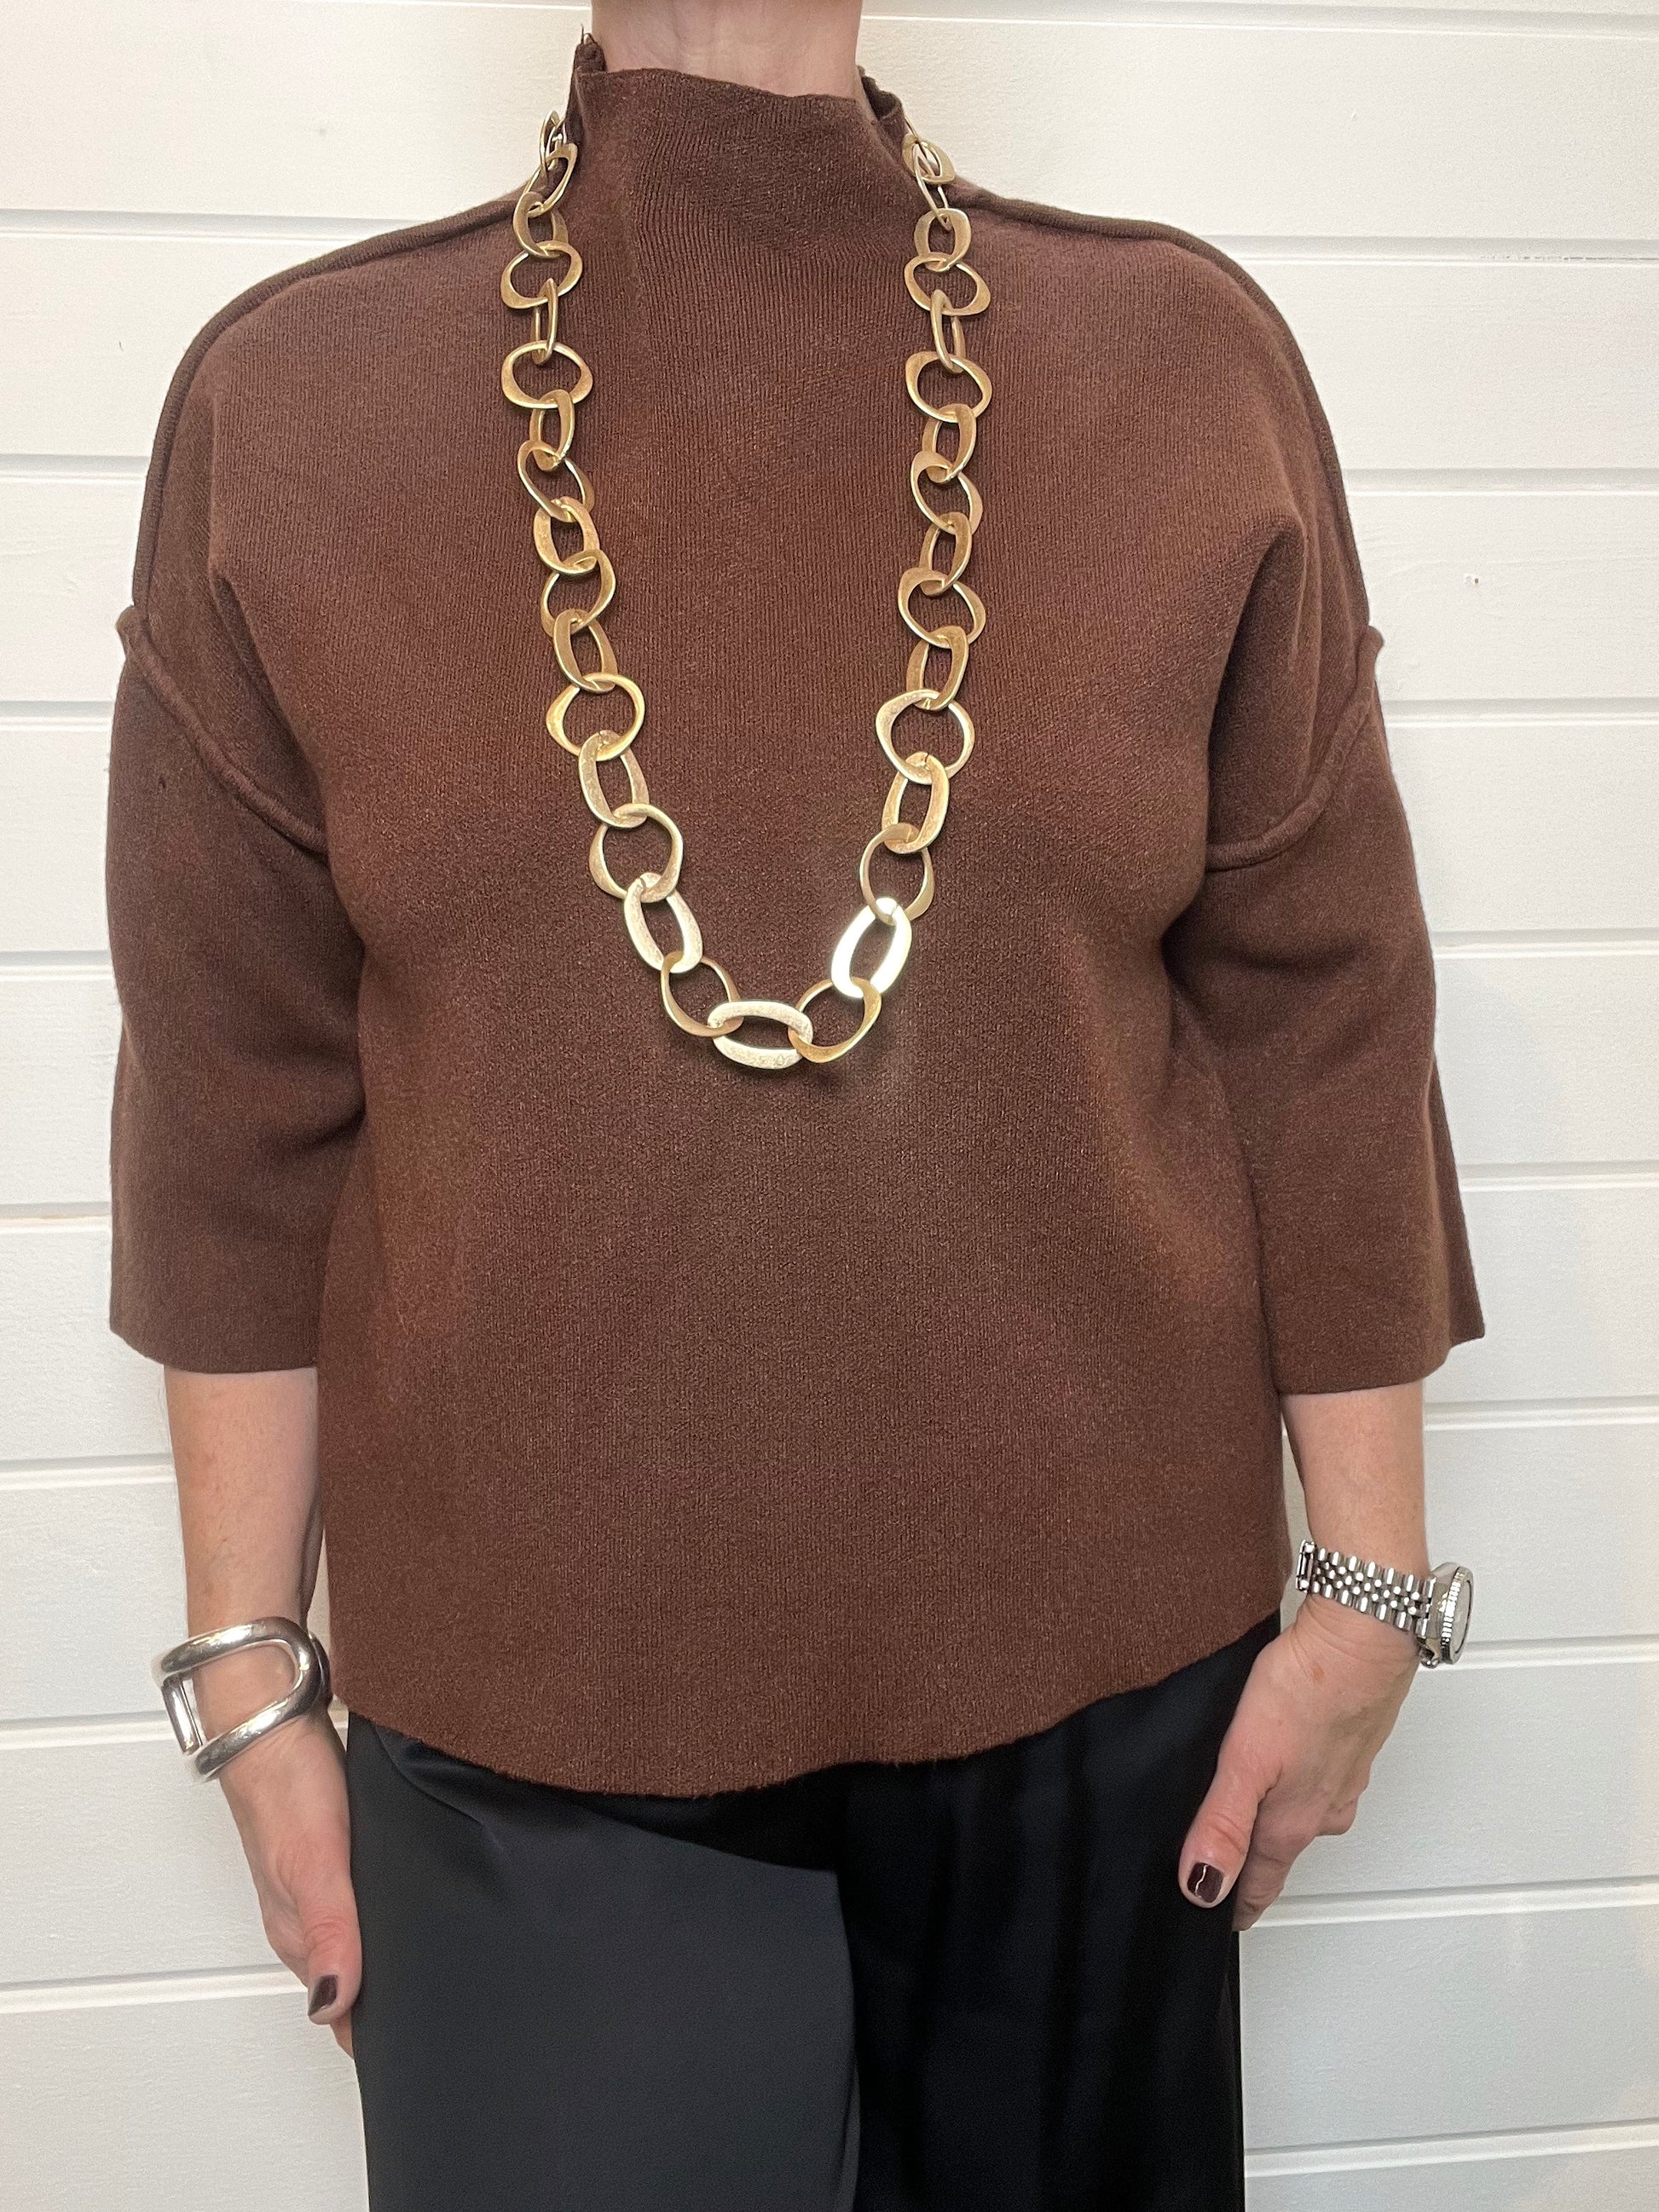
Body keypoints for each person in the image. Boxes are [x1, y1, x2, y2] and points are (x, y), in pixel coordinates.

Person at [108, 2, 1485, 2205]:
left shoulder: (1175, 363)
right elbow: (232, 1104)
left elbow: (1320, 1007)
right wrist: (256, 1687)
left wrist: (1370, 1590)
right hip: (528, 1736)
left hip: (1105, 1713)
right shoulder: (295, 406)